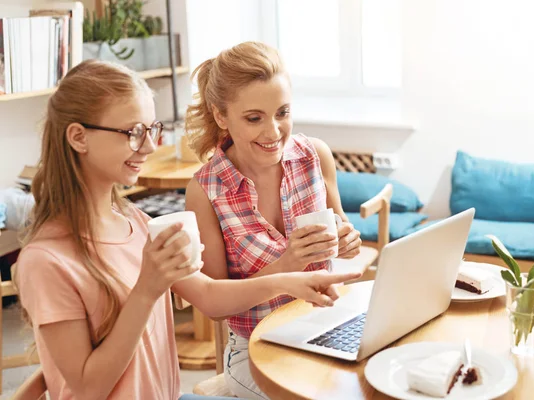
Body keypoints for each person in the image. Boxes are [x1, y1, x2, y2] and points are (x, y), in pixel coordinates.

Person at [13, 59, 360, 400]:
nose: (149, 147)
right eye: (134, 132)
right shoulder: (46, 260)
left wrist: (291, 280)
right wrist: (148, 289)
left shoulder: (137, 222)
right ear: (78, 137)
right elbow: (88, 389)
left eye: (152, 130)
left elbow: (208, 294)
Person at [185, 41, 362, 399]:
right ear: (221, 116)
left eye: (282, 112)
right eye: (254, 118)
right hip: (255, 349)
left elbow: (343, 232)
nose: (274, 131)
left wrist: (347, 239)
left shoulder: (315, 156)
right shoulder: (206, 191)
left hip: (325, 328)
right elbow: (216, 304)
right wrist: (287, 265)